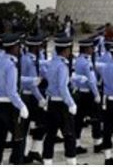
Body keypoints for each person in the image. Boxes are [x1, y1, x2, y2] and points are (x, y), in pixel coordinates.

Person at [0, 33, 29, 165]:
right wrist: (22, 106)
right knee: (19, 140)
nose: (20, 49)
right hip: (10, 106)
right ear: (14, 47)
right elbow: (11, 92)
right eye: (18, 46)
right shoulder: (11, 65)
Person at [11, 34, 47, 164]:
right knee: (23, 129)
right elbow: (32, 84)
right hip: (28, 96)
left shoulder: (34, 59)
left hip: (32, 96)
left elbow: (42, 74)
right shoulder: (28, 60)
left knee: (41, 125)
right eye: (40, 45)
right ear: (35, 46)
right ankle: (19, 157)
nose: (41, 47)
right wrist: (40, 99)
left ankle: (33, 151)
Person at [42, 35, 77, 165]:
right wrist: (71, 103)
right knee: (69, 134)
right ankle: (71, 162)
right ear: (66, 50)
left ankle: (47, 162)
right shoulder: (62, 66)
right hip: (61, 104)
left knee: (50, 135)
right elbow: (62, 87)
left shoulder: (51, 63)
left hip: (51, 102)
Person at [72, 37, 103, 155]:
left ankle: (76, 144)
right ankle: (97, 143)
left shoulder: (78, 60)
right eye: (91, 47)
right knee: (96, 119)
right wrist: (96, 94)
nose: (92, 49)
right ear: (86, 49)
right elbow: (91, 81)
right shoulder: (86, 62)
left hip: (80, 93)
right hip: (88, 94)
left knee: (78, 120)